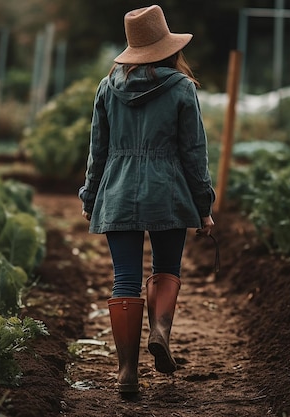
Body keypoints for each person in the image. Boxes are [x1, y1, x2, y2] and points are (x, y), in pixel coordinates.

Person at [78, 4, 215, 395]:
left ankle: (125, 373)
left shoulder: (107, 87)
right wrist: (203, 207)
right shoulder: (182, 88)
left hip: (117, 192)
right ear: (170, 48)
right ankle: (159, 331)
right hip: (168, 193)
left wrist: (90, 194)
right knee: (166, 266)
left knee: (125, 278)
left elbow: (97, 151)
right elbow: (194, 153)